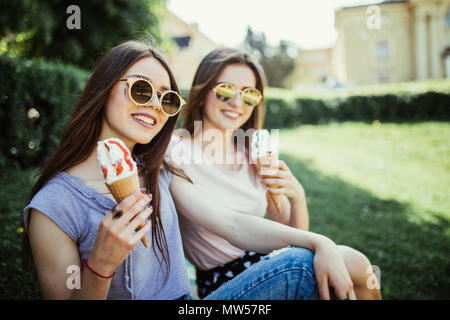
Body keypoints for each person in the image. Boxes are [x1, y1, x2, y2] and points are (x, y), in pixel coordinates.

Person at [23, 39, 355, 300]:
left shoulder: (157, 169)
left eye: (166, 100)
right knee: (302, 267)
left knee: (339, 264)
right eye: (141, 89)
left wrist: (319, 241)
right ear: (103, 89)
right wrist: (100, 265)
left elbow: (232, 223)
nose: (154, 105)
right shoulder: (53, 207)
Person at [167, 48, 381, 299]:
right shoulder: (176, 151)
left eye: (249, 94)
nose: (237, 103)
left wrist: (297, 196)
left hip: (271, 261)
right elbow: (234, 225)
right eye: (225, 90)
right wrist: (321, 242)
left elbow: (295, 235)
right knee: (353, 263)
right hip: (224, 278)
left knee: (354, 270)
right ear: (202, 93)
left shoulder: (253, 152)